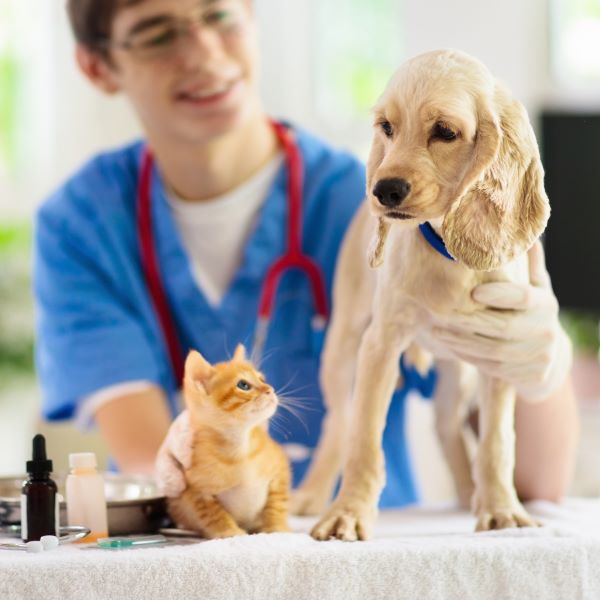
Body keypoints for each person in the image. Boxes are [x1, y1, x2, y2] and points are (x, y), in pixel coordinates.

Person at [34, 0, 578, 509]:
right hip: (200, 546)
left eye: (219, 15)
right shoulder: (82, 224)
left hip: (377, 552)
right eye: (156, 34)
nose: (203, 51)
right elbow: (163, 470)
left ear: (252, 16)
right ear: (97, 66)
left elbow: (539, 488)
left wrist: (543, 372)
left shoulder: (380, 199)